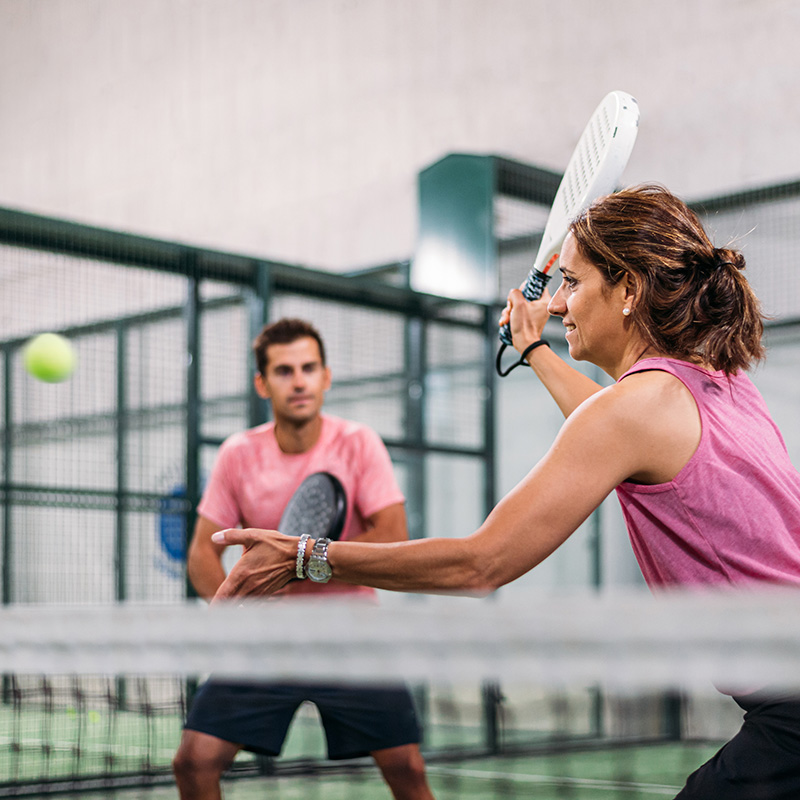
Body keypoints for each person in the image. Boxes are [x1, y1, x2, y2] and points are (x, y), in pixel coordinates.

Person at [211, 185, 800, 799]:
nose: (562, 303)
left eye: (572, 281)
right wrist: (532, 347)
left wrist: (305, 557)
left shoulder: (635, 410)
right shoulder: (720, 383)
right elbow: (606, 428)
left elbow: (480, 563)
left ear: (627, 289)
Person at [171, 318, 435, 800]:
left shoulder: (357, 443)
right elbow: (202, 554)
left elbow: (392, 534)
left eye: (309, 368)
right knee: (193, 763)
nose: (299, 381)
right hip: (267, 644)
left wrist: (296, 564)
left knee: (408, 771)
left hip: (352, 637)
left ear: (326, 377)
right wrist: (235, 610)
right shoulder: (238, 454)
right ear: (262, 382)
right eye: (284, 370)